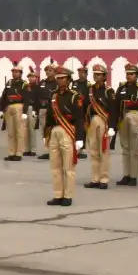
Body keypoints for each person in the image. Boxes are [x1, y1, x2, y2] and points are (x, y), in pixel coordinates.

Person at [44, 68, 83, 206]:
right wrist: (45, 134)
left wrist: (79, 138)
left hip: (68, 131)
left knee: (68, 167)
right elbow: (49, 116)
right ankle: (57, 194)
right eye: (58, 78)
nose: (60, 80)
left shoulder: (74, 96)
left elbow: (79, 118)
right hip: (54, 131)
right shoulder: (53, 95)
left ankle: (68, 195)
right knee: (55, 166)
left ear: (68, 79)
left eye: (63, 78)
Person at [82, 64, 114, 189]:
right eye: (95, 74)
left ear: (105, 76)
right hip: (92, 121)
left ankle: (104, 179)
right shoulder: (90, 90)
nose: (96, 76)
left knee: (104, 152)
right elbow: (84, 106)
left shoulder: (108, 90)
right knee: (94, 151)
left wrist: (112, 126)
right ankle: (95, 178)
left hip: (104, 121)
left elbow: (113, 109)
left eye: (99, 74)